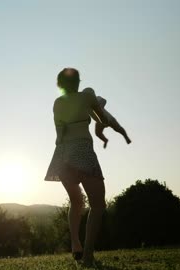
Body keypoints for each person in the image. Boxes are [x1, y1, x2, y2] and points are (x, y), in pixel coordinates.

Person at [45, 68, 130, 266]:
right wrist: (103, 120)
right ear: (78, 82)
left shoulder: (57, 103)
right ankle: (88, 256)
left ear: (60, 85)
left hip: (61, 156)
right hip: (82, 152)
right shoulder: (88, 97)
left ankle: (76, 243)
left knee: (76, 202)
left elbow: (59, 135)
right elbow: (104, 120)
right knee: (98, 204)